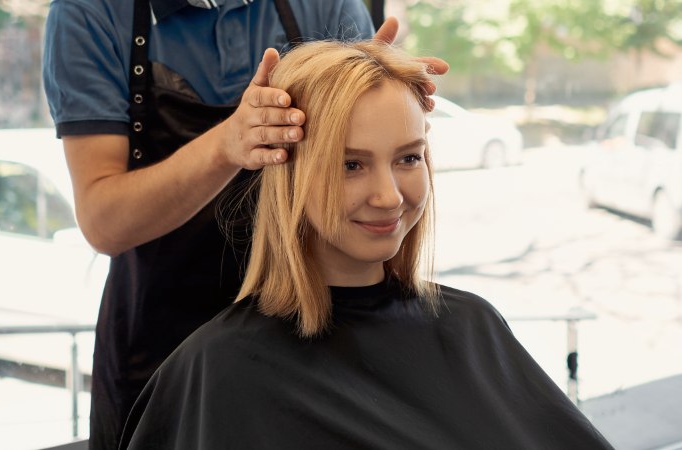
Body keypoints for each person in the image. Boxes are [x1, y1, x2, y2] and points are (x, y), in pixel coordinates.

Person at [118, 40, 614, 449]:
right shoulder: (222, 368)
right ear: (290, 174)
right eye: (350, 164)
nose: (389, 196)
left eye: (408, 158)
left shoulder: (473, 326)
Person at [42, 1, 448, 447]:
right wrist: (225, 146)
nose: (387, 196)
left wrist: (375, 96)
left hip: (318, 331)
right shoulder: (92, 13)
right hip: (161, 346)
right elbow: (104, 222)